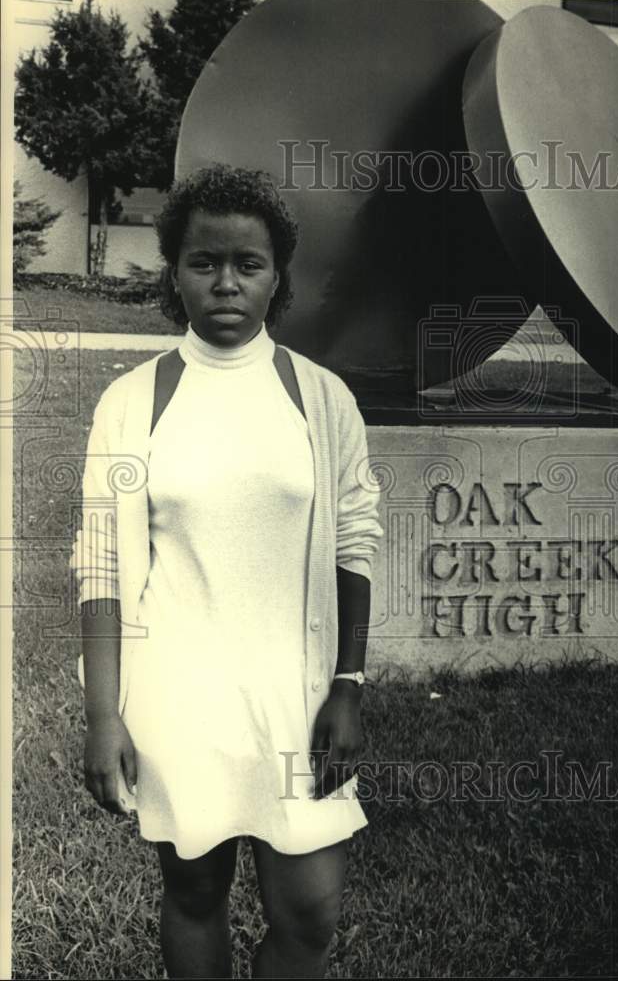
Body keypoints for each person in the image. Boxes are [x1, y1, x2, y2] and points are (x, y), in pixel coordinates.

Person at [70, 163, 384, 979]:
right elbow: (101, 566)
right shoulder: (135, 401)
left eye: (248, 264)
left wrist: (347, 685)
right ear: (174, 272)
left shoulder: (321, 398)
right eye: (204, 263)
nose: (225, 283)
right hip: (181, 691)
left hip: (298, 690)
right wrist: (105, 718)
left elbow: (355, 539)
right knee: (197, 892)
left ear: (277, 276)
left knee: (309, 910)